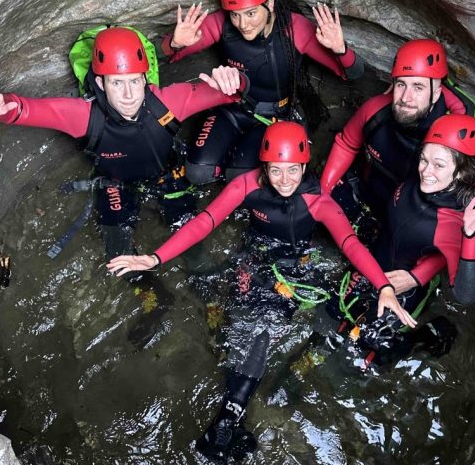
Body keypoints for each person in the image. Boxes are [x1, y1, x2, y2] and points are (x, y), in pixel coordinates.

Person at [107, 121, 405, 460]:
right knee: (250, 325)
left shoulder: (317, 200)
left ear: (305, 166)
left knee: (263, 331)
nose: (284, 180)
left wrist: (383, 286)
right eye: (276, 170)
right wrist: (155, 257)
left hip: (295, 267)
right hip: (256, 257)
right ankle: (227, 420)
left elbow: (349, 243)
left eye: (293, 170)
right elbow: (207, 220)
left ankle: (227, 419)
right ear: (264, 166)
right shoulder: (246, 186)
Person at [0, 27, 250, 263]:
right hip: (115, 183)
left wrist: (235, 79)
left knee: (191, 243)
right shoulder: (82, 116)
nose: (129, 95)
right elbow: (25, 109)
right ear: (101, 84)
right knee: (119, 259)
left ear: (145, 78)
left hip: (168, 175)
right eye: (117, 83)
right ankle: (154, 300)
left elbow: (234, 94)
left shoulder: (169, 102)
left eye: (134, 82)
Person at [334, 114, 475, 367]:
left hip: (404, 287)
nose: (426, 171)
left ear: (461, 172)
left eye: (438, 165)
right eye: (424, 159)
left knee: (371, 356)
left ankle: (425, 337)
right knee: (336, 316)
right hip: (375, 259)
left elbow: (466, 294)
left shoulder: (457, 219)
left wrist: (469, 235)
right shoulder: (424, 177)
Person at [161, 0, 365, 184]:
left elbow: (353, 73)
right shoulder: (221, 24)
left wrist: (340, 49)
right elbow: (163, 57)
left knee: (237, 179)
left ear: (270, 4)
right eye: (235, 14)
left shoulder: (294, 29)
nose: (242, 24)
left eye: (251, 13)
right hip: (232, 108)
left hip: (273, 117)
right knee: (197, 173)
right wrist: (175, 43)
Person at [320, 38, 475, 222]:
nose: (406, 98)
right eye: (401, 84)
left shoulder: (453, 140)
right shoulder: (376, 111)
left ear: (437, 94)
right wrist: (323, 193)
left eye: (418, 87)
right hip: (367, 192)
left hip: (409, 218)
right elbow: (346, 144)